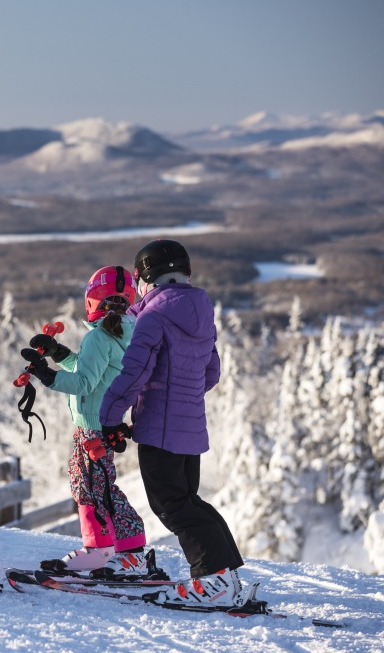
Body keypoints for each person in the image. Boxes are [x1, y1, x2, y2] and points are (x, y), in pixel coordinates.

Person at [98, 239, 251, 609]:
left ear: (145, 278)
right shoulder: (200, 311)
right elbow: (210, 372)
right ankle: (223, 577)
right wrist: (181, 391)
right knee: (188, 503)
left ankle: (214, 582)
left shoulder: (153, 317)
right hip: (191, 429)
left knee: (172, 507)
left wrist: (109, 416)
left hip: (159, 429)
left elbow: (135, 372)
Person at [20, 265, 160, 580]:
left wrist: (48, 376)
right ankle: (115, 548)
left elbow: (83, 383)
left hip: (92, 428)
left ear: (93, 299)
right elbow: (95, 370)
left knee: (93, 487)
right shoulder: (129, 331)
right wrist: (59, 353)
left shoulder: (100, 335)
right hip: (105, 423)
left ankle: (112, 551)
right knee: (96, 486)